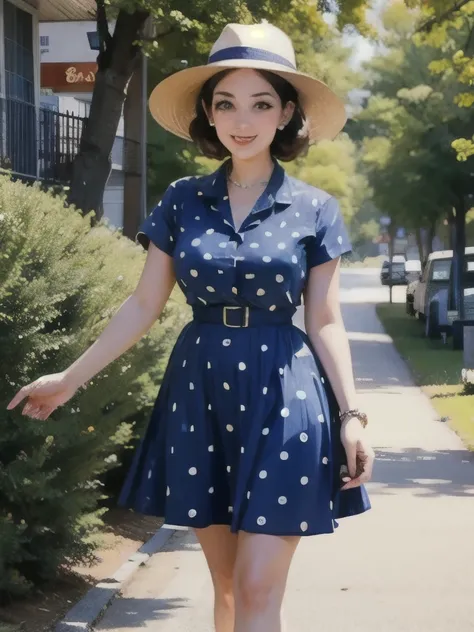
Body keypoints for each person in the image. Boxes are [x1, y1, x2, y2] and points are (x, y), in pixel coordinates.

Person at [7, 22, 375, 632]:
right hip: (199, 393)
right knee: (228, 592)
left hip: (285, 396)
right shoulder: (182, 200)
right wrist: (70, 379)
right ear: (207, 110)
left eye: (262, 103)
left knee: (259, 591)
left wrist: (352, 415)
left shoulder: (315, 208)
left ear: (286, 112)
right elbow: (142, 304)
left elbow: (327, 319)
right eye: (226, 102)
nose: (243, 119)